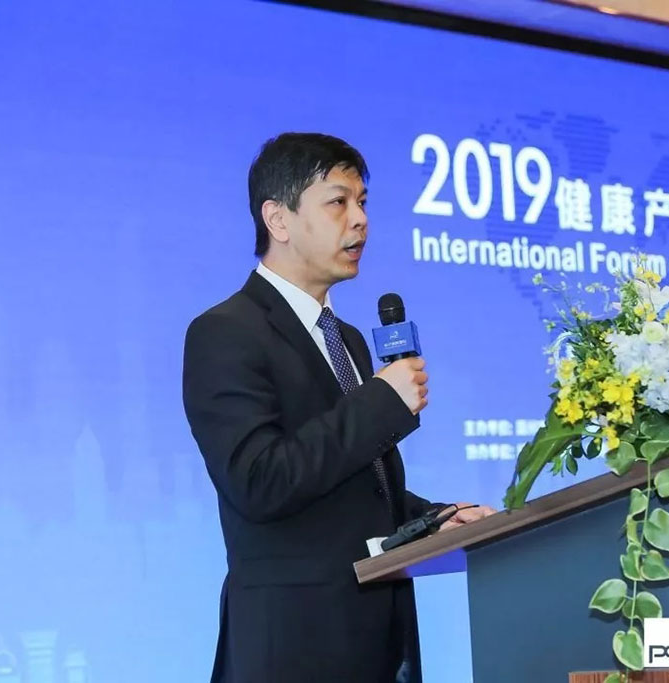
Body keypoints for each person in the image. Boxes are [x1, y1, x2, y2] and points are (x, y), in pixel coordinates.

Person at [182, 132, 495, 683]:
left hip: (378, 644)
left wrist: (435, 518)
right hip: (292, 649)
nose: (360, 220)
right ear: (278, 219)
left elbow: (353, 488)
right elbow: (260, 481)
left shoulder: (345, 337)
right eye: (338, 202)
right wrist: (381, 403)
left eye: (363, 202)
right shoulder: (225, 333)